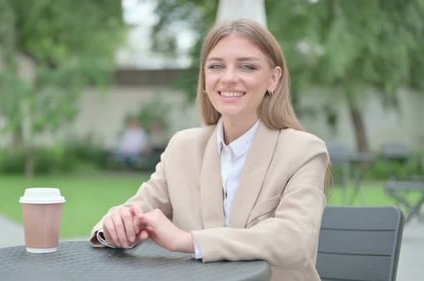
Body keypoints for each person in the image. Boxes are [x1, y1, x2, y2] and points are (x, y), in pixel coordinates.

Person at [90, 18, 330, 281]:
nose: (228, 78)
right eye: (216, 66)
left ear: (273, 79)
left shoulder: (304, 151)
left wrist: (188, 241)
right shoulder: (183, 147)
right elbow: (137, 209)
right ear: (205, 78)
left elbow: (295, 241)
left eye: (247, 66)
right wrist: (116, 225)